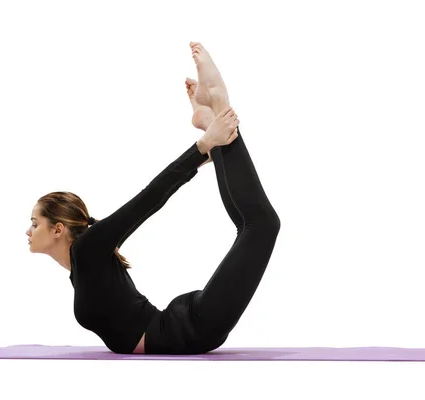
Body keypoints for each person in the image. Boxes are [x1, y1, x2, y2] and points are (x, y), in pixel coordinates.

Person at [25, 42, 281, 355]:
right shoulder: (80, 265)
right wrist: (203, 150)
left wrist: (201, 148)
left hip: (192, 329)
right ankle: (213, 118)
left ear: (58, 228)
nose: (28, 231)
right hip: (186, 325)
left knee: (261, 225)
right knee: (253, 226)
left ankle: (218, 106)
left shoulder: (88, 248)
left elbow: (150, 198)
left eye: (34, 223)